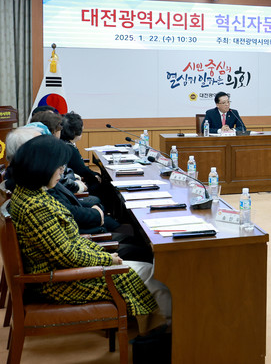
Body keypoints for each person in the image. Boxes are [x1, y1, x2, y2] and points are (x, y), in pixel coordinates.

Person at [6, 136, 170, 334]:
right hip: (58, 282)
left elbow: (70, 242)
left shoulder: (31, 194)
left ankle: (160, 330)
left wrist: (103, 256)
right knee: (155, 276)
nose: (62, 171)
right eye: (59, 167)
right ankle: (165, 336)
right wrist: (107, 259)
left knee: (147, 270)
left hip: (62, 271)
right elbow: (67, 255)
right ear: (42, 167)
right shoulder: (36, 208)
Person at [60, 111, 102, 193]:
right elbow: (81, 170)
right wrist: (95, 175)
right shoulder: (69, 147)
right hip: (74, 183)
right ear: (75, 131)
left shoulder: (62, 142)